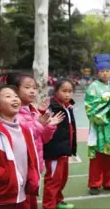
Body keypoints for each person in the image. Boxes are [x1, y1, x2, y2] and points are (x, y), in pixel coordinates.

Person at [7, 73, 64, 209]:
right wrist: (40, 124)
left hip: (34, 167)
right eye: (27, 87)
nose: (32, 91)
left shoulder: (33, 111)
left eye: (34, 88)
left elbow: (43, 139)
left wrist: (49, 125)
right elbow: (22, 138)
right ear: (14, 90)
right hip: (20, 170)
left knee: (31, 203)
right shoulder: (13, 113)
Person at [0, 85, 39, 209]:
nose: (15, 99)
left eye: (16, 96)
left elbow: (30, 160)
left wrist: (33, 178)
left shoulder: (25, 130)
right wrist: (5, 176)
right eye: (8, 96)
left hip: (21, 195)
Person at [85, 54, 110, 195]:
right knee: (97, 156)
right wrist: (106, 100)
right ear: (97, 73)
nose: (105, 73)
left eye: (107, 71)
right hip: (98, 126)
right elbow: (90, 107)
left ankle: (108, 182)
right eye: (102, 71)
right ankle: (94, 183)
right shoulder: (93, 87)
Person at [43, 79, 78, 209]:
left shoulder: (68, 106)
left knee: (62, 179)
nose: (67, 94)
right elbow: (43, 125)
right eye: (64, 91)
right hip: (54, 152)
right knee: (53, 180)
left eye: (70, 91)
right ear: (56, 91)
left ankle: (58, 200)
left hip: (65, 150)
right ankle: (48, 206)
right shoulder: (51, 107)